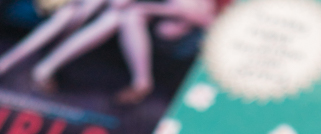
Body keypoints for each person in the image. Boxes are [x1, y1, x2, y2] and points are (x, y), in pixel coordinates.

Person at [0, 0, 213, 104]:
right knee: (76, 13)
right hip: (67, 10)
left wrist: (153, 9)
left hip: (160, 25)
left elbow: (201, 16)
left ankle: (41, 68)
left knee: (115, 17)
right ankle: (28, 66)